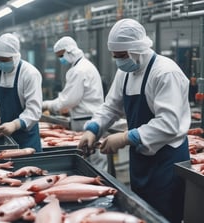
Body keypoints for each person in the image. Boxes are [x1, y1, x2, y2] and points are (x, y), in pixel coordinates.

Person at [78, 18, 190, 223]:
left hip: (166, 160)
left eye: (121, 56)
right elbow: (111, 106)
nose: (118, 61)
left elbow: (169, 123)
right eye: (115, 57)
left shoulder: (165, 72)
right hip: (141, 160)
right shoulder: (126, 72)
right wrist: (93, 129)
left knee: (165, 216)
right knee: (142, 213)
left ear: (137, 49)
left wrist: (125, 137)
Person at [0, 33, 43, 152]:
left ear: (15, 57)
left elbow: (34, 110)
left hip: (27, 136)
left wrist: (15, 125)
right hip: (5, 132)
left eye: (4, 60)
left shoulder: (30, 74)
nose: (0, 63)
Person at [42, 36, 104, 131]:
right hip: (89, 117)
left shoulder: (79, 70)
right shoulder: (85, 65)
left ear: (69, 51)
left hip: (84, 120)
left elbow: (68, 101)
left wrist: (46, 105)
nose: (60, 59)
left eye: (61, 56)